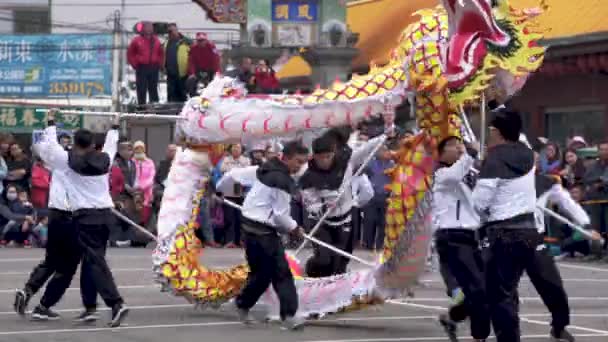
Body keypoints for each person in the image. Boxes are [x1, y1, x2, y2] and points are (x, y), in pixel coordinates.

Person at [16, 110, 128, 326]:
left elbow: (50, 146)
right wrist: (114, 126)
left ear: (75, 143)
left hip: (83, 218)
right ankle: (96, 306)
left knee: (80, 263)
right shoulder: (105, 160)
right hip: (105, 216)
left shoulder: (65, 162)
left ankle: (112, 304)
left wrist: (50, 121)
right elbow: (111, 146)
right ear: (94, 145)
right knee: (92, 262)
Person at [216, 140, 308, 330]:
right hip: (263, 232)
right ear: (288, 158)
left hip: (249, 229)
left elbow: (232, 175)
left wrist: (220, 190)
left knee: (262, 274)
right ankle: (289, 316)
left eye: (303, 162)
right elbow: (281, 216)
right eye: (298, 162)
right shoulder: (283, 181)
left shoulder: (263, 169)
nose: (300, 167)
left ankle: (243, 304)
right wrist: (295, 228)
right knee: (281, 272)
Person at [472, 108, 538, 342]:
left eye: (490, 129)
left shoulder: (495, 158)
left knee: (499, 295)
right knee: (508, 291)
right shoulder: (529, 154)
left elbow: (480, 203)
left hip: (504, 232)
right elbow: (518, 133)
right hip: (529, 231)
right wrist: (495, 104)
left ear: (497, 132)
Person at [301, 132, 385, 277]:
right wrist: (323, 207)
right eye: (321, 158)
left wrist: (384, 135)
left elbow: (366, 149)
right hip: (323, 222)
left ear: (333, 154)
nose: (325, 161)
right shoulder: (307, 175)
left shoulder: (346, 162)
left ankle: (334, 288)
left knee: (340, 262)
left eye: (328, 156)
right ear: (314, 156)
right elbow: (309, 203)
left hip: (345, 219)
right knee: (324, 260)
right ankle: (311, 271)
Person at [431, 136, 489, 342]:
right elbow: (455, 175)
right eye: (453, 146)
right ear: (442, 152)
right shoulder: (441, 173)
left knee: (484, 289)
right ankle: (479, 336)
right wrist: (470, 154)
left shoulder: (470, 174)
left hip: (473, 236)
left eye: (460, 145)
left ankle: (452, 318)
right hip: (452, 236)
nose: (459, 148)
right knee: (477, 288)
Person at [529, 148, 589, 342]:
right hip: (506, 239)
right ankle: (463, 319)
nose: (535, 162)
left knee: (553, 285)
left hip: (535, 240)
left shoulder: (546, 182)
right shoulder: (502, 181)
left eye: (537, 159)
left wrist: (585, 224)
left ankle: (559, 327)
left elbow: (567, 202)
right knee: (496, 288)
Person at [362, 144, 393, 250]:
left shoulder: (393, 165)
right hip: (371, 196)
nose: (382, 152)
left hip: (386, 196)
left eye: (385, 150)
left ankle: (380, 246)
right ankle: (368, 245)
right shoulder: (370, 163)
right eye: (380, 150)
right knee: (369, 221)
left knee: (384, 222)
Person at [220, 144, 250, 247]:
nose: (236, 149)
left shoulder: (246, 160)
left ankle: (241, 240)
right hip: (228, 189)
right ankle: (230, 241)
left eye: (238, 147)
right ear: (230, 149)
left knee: (240, 217)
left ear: (241, 149)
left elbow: (246, 173)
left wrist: (234, 172)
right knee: (229, 217)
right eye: (233, 147)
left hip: (240, 188)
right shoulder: (226, 160)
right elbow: (223, 170)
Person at [127, 21, 164, 105]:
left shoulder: (156, 40)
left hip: (154, 67)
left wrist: (160, 64)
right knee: (141, 88)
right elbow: (130, 53)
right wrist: (134, 64)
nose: (149, 29)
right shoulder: (137, 40)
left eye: (151, 27)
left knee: (153, 88)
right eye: (147, 27)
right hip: (141, 67)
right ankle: (141, 106)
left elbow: (161, 53)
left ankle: (154, 106)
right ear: (143, 29)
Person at [583, 141, 608, 254]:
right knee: (595, 228)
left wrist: (601, 183)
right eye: (601, 149)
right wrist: (599, 181)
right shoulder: (593, 166)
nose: (603, 152)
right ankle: (595, 252)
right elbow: (587, 180)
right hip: (595, 200)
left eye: (606, 149)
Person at [186, 32, 221, 97]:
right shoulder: (193, 48)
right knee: (191, 80)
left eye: (202, 40)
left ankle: (212, 96)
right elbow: (191, 62)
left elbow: (216, 59)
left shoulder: (212, 47)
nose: (201, 42)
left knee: (214, 81)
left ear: (206, 40)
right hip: (198, 70)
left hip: (210, 70)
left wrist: (217, 72)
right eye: (199, 40)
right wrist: (192, 73)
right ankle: (193, 97)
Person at [164, 24, 191, 102]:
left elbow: (194, 54)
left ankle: (183, 111)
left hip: (183, 74)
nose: (171, 33)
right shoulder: (166, 43)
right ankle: (170, 111)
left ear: (177, 30)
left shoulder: (186, 42)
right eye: (169, 31)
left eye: (172, 31)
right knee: (171, 95)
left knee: (182, 95)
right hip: (171, 74)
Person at [133, 141, 156, 227]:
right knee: (135, 213)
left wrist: (143, 187)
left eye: (141, 148)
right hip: (135, 192)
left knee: (145, 215)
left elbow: (152, 176)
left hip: (147, 192)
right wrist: (136, 187)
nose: (139, 150)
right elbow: (131, 175)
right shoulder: (132, 161)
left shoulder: (149, 162)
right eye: (137, 148)